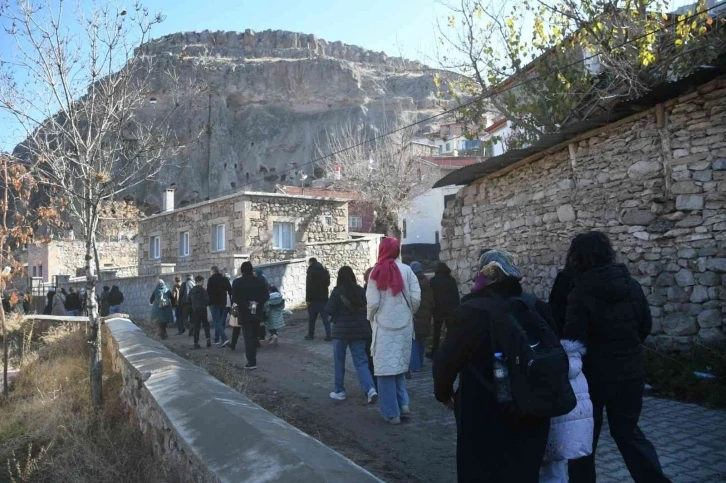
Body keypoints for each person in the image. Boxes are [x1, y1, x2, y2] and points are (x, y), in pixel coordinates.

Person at [432, 249, 551, 482]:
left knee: (480, 472)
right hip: (531, 409)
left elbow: (445, 361)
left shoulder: (470, 311)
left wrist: (443, 394)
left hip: (482, 409)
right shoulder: (535, 306)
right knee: (524, 472)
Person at [563, 232, 670, 483]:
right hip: (631, 372)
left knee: (584, 439)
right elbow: (644, 326)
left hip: (593, 378)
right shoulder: (631, 285)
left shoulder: (580, 291)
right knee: (628, 434)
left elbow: (573, 342)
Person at [366, 238, 421, 424]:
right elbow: (416, 298)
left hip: (384, 327)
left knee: (384, 370)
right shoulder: (407, 270)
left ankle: (392, 413)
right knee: (398, 367)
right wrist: (407, 312)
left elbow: (372, 303)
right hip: (404, 326)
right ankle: (404, 405)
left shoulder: (376, 272)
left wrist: (371, 317)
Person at [540, 339, 594, 483]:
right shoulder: (572, 361)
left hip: (542, 424)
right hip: (561, 430)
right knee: (556, 468)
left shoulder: (544, 358)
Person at [326, 266, 377, 404]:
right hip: (359, 331)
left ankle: (339, 391)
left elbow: (329, 310)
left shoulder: (337, 292)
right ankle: (370, 389)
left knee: (339, 361)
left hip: (341, 332)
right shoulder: (360, 290)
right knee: (361, 361)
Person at [230, 262, 269, 369]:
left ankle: (251, 362)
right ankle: (252, 359)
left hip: (244, 313)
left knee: (248, 338)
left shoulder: (237, 282)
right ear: (252, 270)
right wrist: (257, 303)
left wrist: (246, 303)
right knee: (254, 336)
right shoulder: (260, 281)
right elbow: (266, 296)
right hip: (257, 312)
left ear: (242, 270)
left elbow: (235, 298)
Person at [428, 262, 460, 359]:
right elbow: (456, 296)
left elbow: (430, 296)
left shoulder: (433, 281)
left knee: (436, 333)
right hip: (450, 310)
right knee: (451, 332)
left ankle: (434, 352)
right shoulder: (451, 280)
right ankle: (451, 351)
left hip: (438, 310)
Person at [408, 261, 433, 375]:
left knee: (414, 340)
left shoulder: (411, 283)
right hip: (426, 315)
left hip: (415, 314)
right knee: (422, 339)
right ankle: (420, 361)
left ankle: (415, 365)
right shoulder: (427, 282)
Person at [305, 257, 332, 341]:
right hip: (323, 298)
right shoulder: (324, 272)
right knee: (325, 318)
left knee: (312, 319)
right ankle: (329, 334)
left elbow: (308, 287)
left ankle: (311, 335)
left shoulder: (310, 272)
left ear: (310, 262)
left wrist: (308, 299)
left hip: (313, 299)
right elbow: (327, 284)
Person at [207, 266, 232, 346]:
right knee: (220, 322)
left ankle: (224, 338)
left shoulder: (211, 279)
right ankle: (219, 339)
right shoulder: (224, 279)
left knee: (217, 322)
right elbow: (230, 290)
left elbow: (208, 292)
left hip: (213, 303)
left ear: (213, 271)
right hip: (223, 302)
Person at [363, 267, 376, 390]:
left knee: (370, 358)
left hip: (368, 329)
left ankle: (373, 384)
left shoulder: (365, 291)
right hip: (378, 329)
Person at [190, 275, 212, 349]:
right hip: (202, 309)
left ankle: (196, 342)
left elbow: (188, 300)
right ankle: (208, 339)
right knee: (206, 324)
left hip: (195, 310)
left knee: (197, 326)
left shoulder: (192, 290)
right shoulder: (203, 290)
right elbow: (207, 300)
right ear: (198, 281)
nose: (203, 283)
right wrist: (205, 304)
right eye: (202, 281)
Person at [254, 267, 269, 342]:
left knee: (258, 319)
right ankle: (262, 335)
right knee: (261, 320)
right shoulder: (264, 278)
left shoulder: (258, 280)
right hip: (263, 302)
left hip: (258, 303)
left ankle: (259, 335)